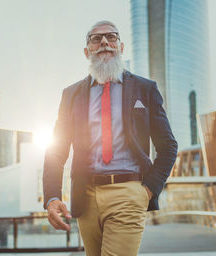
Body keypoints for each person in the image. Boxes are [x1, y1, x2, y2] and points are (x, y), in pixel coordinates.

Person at [43, 20, 178, 256]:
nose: (104, 42)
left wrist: (147, 190)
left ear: (121, 47)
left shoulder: (145, 89)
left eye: (111, 37)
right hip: (85, 197)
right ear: (87, 52)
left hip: (129, 193)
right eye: (96, 39)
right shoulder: (71, 94)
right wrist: (52, 197)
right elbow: (57, 149)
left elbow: (168, 146)